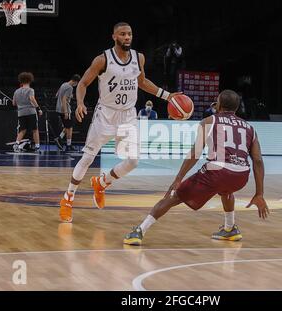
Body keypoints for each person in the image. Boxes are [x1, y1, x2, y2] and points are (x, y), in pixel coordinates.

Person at [59, 22, 181, 223]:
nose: (127, 37)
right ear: (114, 36)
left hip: (128, 116)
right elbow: (83, 83)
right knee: (88, 158)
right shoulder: (102, 60)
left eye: (130, 34)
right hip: (106, 115)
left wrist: (168, 96)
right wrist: (80, 102)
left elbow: (142, 82)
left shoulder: (138, 57)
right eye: (123, 34)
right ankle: (68, 198)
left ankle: (102, 183)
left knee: (133, 161)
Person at [124, 90, 269, 245]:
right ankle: (229, 228)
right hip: (241, 176)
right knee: (226, 189)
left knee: (176, 196)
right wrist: (259, 193)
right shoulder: (250, 128)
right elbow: (258, 161)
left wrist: (178, 178)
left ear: (218, 104)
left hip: (217, 171)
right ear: (237, 107)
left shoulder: (209, 121)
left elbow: (196, 152)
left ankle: (139, 231)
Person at [12, 72, 43, 153]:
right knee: (35, 129)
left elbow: (14, 103)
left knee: (22, 130)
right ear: (30, 80)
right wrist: (38, 108)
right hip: (30, 112)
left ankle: (16, 144)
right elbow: (32, 98)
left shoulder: (16, 91)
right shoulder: (30, 90)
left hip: (21, 113)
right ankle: (37, 146)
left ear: (20, 80)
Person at [54, 74, 81, 152]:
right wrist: (66, 111)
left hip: (58, 108)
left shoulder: (64, 84)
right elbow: (64, 99)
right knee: (70, 128)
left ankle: (59, 138)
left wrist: (69, 96)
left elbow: (57, 94)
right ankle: (68, 145)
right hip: (65, 110)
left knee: (67, 126)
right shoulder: (70, 87)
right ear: (76, 82)